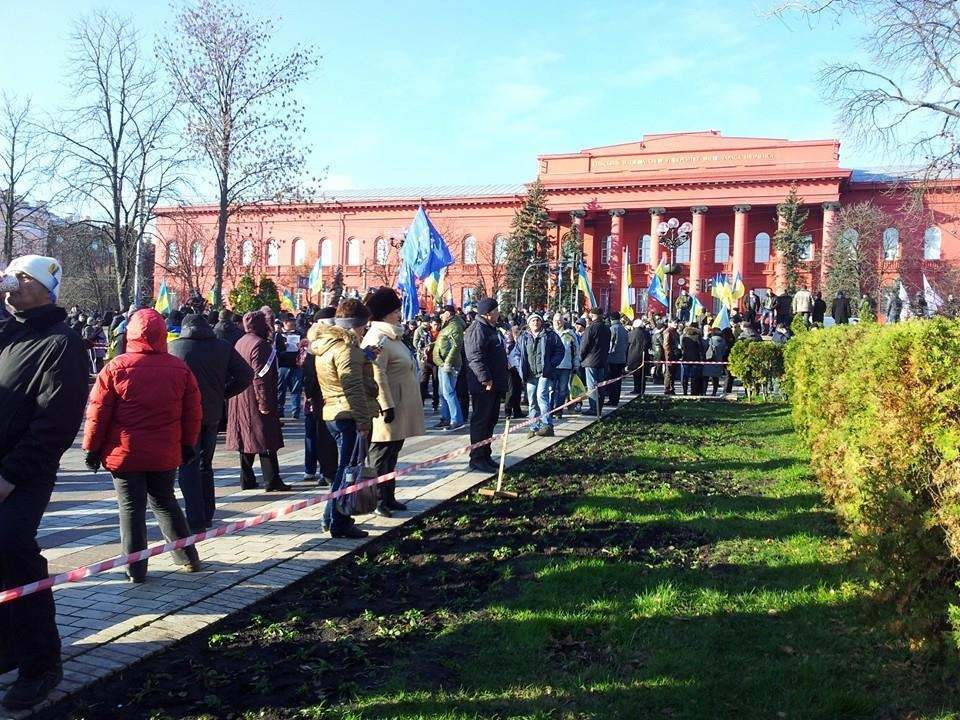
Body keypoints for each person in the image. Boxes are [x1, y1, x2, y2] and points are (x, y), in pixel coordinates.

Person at [0, 255, 89, 710]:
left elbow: (55, 421)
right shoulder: (8, 332)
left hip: (22, 473)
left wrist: (11, 476)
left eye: (21, 279)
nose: (11, 286)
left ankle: (41, 663)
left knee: (12, 549)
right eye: (9, 278)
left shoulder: (62, 342)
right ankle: (8, 651)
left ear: (45, 288)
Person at [83, 308, 203, 584]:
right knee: (165, 502)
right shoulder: (179, 368)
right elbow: (192, 412)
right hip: (164, 451)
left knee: (131, 509)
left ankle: (135, 570)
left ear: (131, 334)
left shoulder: (115, 367)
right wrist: (188, 444)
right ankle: (188, 558)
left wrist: (91, 449)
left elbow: (97, 413)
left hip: (124, 453)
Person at [169, 313, 253, 534]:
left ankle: (195, 518)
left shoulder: (175, 348)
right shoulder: (222, 346)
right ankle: (207, 513)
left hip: (185, 414)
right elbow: (246, 374)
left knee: (187, 463)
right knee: (205, 463)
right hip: (212, 413)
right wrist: (223, 394)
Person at [310, 298, 379, 538]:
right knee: (348, 470)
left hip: (334, 411)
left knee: (343, 469)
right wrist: (363, 421)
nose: (364, 331)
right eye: (363, 326)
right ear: (353, 325)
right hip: (348, 414)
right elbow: (353, 387)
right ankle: (340, 521)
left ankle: (331, 517)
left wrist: (365, 356)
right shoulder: (345, 348)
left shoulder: (329, 344)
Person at [362, 288, 425, 517]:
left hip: (400, 405)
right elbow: (376, 373)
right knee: (381, 454)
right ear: (387, 313)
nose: (400, 314)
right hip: (388, 408)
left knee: (393, 452)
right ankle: (378, 499)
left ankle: (389, 496)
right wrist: (386, 405)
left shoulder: (392, 335)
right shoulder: (378, 338)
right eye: (396, 310)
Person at [227, 311, 291, 492]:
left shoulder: (241, 341)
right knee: (265, 439)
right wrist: (264, 403)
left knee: (246, 439)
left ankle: (246, 479)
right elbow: (260, 376)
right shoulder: (261, 345)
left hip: (240, 397)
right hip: (255, 398)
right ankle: (272, 480)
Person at [464, 297, 508, 473]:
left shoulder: (491, 328)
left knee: (491, 420)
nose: (499, 313)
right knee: (481, 421)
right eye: (496, 310)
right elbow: (475, 357)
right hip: (484, 385)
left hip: (495, 383)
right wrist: (485, 379)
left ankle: (486, 454)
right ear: (488, 313)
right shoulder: (477, 329)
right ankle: (477, 458)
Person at [302, 307, 339, 486]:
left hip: (320, 397)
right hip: (328, 396)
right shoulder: (321, 344)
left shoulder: (313, 344)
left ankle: (327, 471)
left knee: (324, 435)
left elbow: (308, 374)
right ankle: (329, 472)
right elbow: (309, 373)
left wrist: (309, 395)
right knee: (328, 436)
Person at [519, 313, 564, 439]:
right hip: (530, 374)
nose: (535, 323)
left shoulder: (550, 335)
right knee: (532, 400)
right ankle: (534, 427)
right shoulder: (524, 337)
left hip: (544, 372)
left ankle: (547, 425)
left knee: (541, 396)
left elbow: (560, 350)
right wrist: (519, 367)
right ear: (529, 323)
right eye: (533, 320)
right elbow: (517, 353)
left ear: (541, 322)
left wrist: (552, 364)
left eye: (537, 320)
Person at [432, 304, 464, 431]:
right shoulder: (447, 325)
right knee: (442, 393)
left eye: (442, 313)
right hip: (442, 363)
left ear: (448, 314)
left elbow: (456, 346)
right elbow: (444, 342)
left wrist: (448, 363)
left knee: (449, 392)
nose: (440, 316)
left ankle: (456, 419)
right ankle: (446, 417)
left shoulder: (455, 326)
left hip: (449, 364)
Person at [579, 307, 610, 415]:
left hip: (591, 361)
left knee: (592, 386)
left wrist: (580, 358)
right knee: (600, 385)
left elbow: (584, 345)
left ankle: (593, 408)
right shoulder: (607, 328)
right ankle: (599, 408)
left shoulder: (591, 328)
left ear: (592, 315)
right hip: (602, 360)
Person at [276, 314, 304, 419]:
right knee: (280, 389)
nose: (293, 323)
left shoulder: (299, 334)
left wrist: (300, 347)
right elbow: (275, 351)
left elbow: (304, 350)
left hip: (296, 365)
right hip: (283, 365)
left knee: (296, 389)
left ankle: (295, 411)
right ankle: (279, 410)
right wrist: (284, 348)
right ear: (285, 323)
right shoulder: (278, 336)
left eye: (294, 321)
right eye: (290, 321)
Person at [552, 314, 579, 418]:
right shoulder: (550, 334)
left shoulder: (570, 334)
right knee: (552, 390)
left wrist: (576, 364)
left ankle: (559, 410)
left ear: (563, 322)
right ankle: (551, 410)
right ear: (552, 321)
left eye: (559, 320)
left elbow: (576, 350)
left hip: (566, 366)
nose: (557, 322)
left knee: (563, 390)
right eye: (555, 320)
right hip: (552, 367)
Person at [606, 311, 629, 406]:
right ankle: (616, 399)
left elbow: (610, 344)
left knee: (611, 380)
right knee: (618, 380)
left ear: (611, 319)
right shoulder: (624, 329)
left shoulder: (612, 329)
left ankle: (612, 399)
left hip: (612, 358)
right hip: (622, 358)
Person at [503, 324, 524, 419]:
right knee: (511, 391)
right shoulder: (508, 344)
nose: (516, 334)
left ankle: (517, 411)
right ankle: (508, 411)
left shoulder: (520, 342)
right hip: (509, 369)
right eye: (514, 332)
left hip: (518, 369)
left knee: (518, 390)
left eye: (517, 332)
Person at [703, 327, 728, 396]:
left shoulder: (709, 340)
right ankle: (714, 392)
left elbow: (704, 348)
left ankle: (704, 392)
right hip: (718, 361)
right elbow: (724, 352)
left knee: (706, 378)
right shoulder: (723, 341)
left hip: (709, 360)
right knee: (716, 378)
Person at [627, 318, 650, 395]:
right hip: (644, 356)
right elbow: (648, 344)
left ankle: (636, 389)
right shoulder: (646, 333)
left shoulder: (631, 334)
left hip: (633, 356)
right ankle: (642, 389)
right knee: (643, 375)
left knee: (635, 375)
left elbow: (628, 344)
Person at [680, 324, 704, 395]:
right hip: (695, 359)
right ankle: (693, 392)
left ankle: (685, 391)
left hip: (686, 358)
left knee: (685, 376)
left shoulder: (683, 337)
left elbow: (682, 347)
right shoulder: (697, 337)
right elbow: (701, 348)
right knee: (694, 377)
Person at [662, 321, 681, 395]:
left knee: (673, 373)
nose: (676, 324)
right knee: (669, 373)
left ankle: (671, 388)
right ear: (670, 324)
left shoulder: (675, 332)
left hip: (674, 355)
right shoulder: (668, 331)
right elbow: (666, 345)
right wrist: (668, 356)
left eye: (676, 323)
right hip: (670, 355)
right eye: (674, 323)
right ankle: (667, 388)